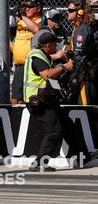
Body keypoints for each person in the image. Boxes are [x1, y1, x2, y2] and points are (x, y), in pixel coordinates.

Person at [24, 31, 96, 171]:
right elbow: (47, 75)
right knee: (55, 130)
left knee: (67, 125)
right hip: (38, 101)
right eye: (54, 44)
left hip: (46, 98)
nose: (56, 46)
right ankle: (39, 162)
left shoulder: (42, 54)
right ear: (48, 45)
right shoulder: (37, 56)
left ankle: (83, 156)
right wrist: (64, 67)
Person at [11, 0, 44, 105]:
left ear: (38, 8)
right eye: (25, 7)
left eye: (30, 6)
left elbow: (36, 29)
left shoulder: (41, 20)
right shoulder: (21, 21)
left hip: (31, 66)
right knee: (15, 99)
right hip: (19, 65)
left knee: (30, 99)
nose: (27, 9)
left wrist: (22, 16)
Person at [66, 0, 97, 105]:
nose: (67, 12)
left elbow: (78, 55)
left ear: (80, 12)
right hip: (83, 73)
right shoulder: (78, 27)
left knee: (85, 106)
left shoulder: (83, 29)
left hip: (84, 75)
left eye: (70, 10)